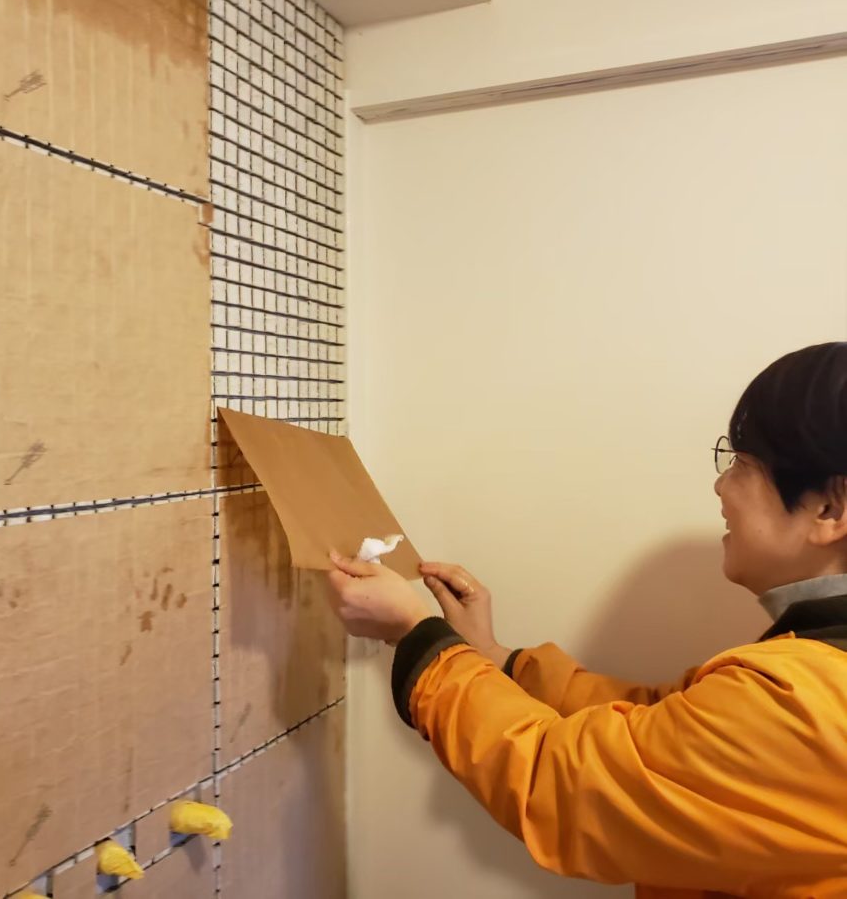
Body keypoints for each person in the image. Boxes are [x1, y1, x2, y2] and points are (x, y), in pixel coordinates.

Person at [326, 342, 847, 898]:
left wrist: (417, 638)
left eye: (742, 463)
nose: (721, 486)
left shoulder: (802, 703)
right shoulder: (812, 674)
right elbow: (662, 729)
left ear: (830, 508)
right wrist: (496, 660)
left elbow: (563, 785)